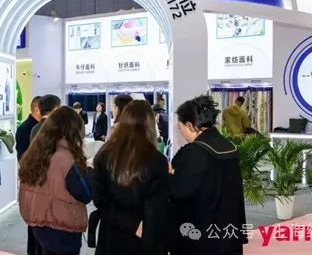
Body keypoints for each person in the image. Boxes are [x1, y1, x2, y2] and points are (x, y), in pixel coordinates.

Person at [169, 95, 246, 255]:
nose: (180, 132)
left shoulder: (194, 152)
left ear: (190, 125)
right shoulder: (228, 146)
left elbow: (179, 190)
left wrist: (170, 175)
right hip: (227, 230)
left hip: (201, 235)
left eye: (180, 127)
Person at [90, 100, 169, 255]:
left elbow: (99, 199)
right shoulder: (157, 160)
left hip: (111, 234)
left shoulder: (104, 155)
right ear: (150, 124)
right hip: (142, 235)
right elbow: (157, 208)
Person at [19, 106, 92, 255]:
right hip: (63, 228)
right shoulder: (68, 159)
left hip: (38, 224)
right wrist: (90, 171)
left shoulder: (35, 153)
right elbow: (85, 194)